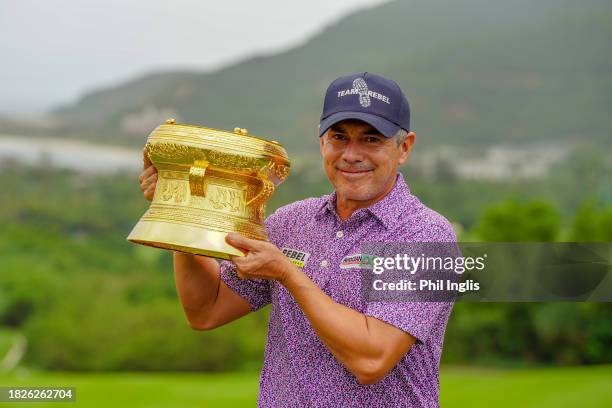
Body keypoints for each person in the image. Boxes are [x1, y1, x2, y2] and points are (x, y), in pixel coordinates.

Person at [138, 72, 457, 407]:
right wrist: (181, 209)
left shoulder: (426, 236)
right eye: (339, 137)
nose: (351, 154)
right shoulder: (291, 221)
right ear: (322, 142)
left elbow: (372, 359)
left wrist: (288, 274)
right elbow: (206, 311)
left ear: (403, 148)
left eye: (371, 139)